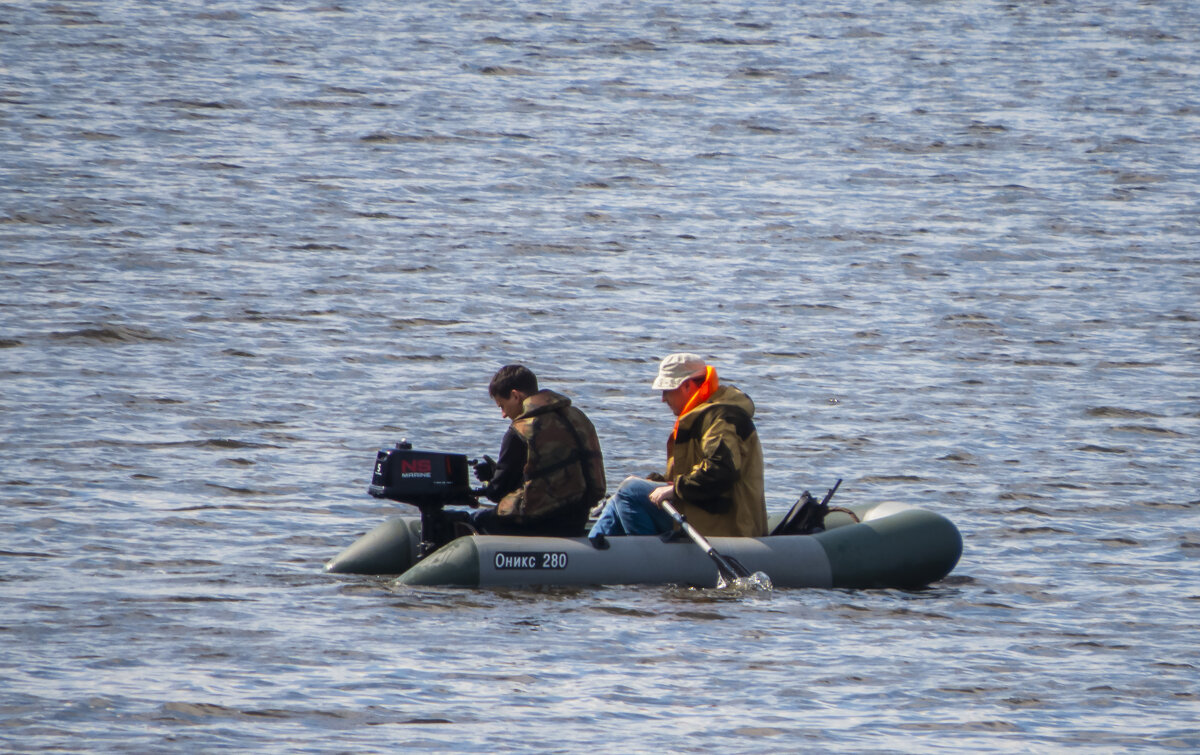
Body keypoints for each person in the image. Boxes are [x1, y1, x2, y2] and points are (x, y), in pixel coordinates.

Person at [589, 353, 767, 539]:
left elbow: (721, 470)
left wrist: (675, 489)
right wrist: (660, 481)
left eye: (666, 390)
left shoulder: (720, 419)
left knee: (630, 491)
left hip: (726, 524)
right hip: (704, 511)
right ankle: (590, 555)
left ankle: (654, 562)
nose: (663, 399)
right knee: (618, 498)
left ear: (687, 386)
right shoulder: (704, 413)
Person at [468, 364, 606, 537]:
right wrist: (496, 472)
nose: (503, 414)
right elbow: (548, 473)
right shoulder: (577, 417)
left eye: (502, 406)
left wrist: (490, 481)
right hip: (578, 518)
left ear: (515, 395)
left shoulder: (520, 430)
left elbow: (497, 492)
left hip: (540, 523)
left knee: (476, 519)